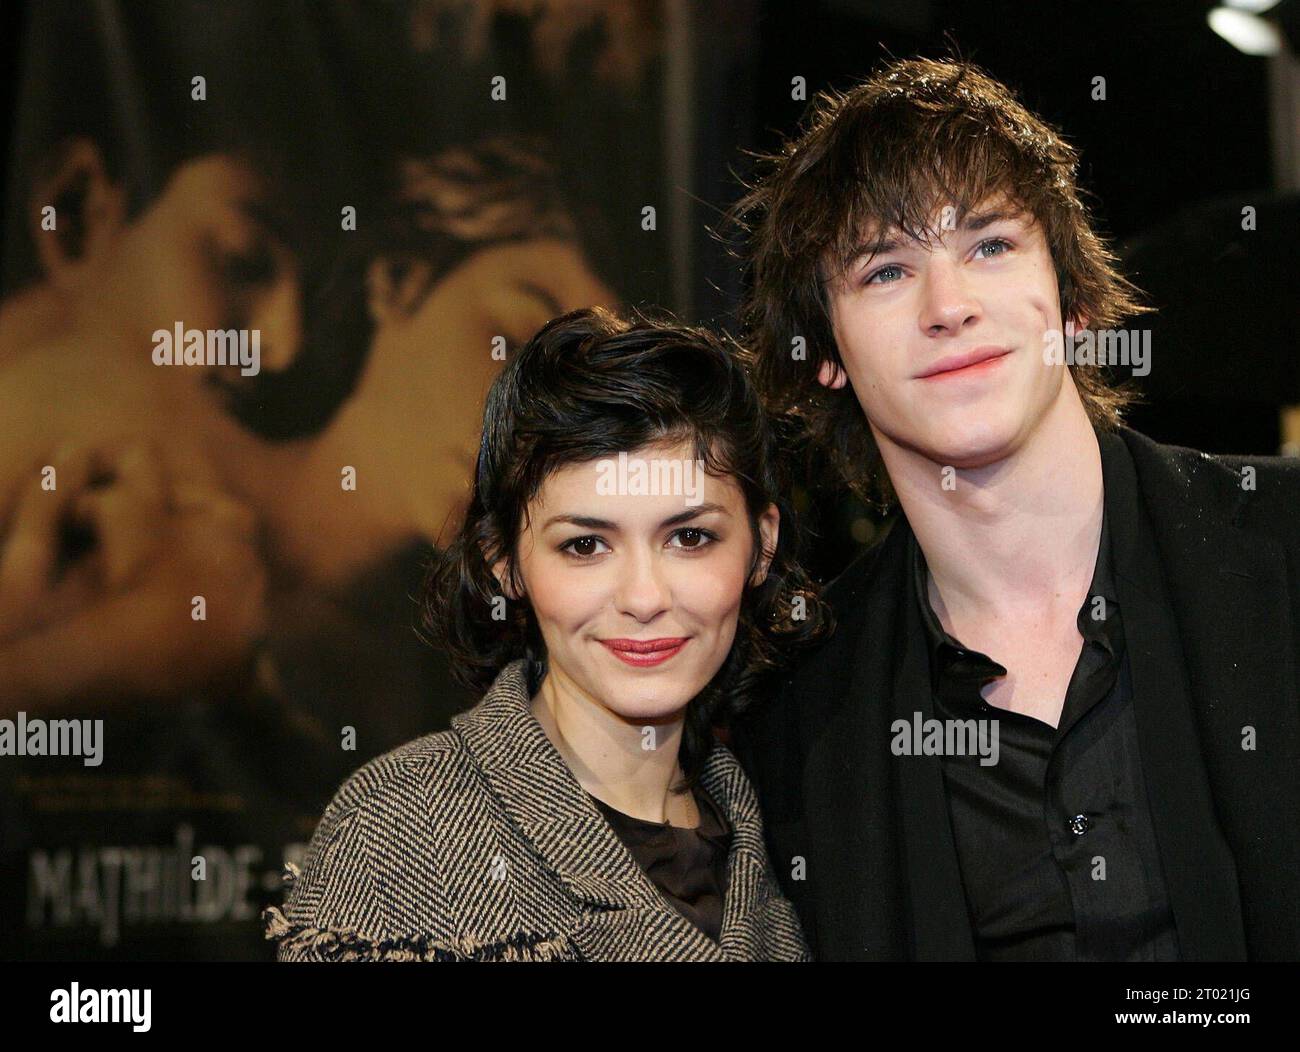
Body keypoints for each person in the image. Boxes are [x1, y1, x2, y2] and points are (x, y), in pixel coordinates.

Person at [727, 56, 1300, 961]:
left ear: (1073, 301)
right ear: (825, 353)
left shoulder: (1283, 548)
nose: (948, 305)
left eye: (989, 245)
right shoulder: (796, 723)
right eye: (885, 270)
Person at [262, 306, 831, 960]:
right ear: (505, 560)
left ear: (761, 545)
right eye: (586, 545)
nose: (644, 597)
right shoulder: (397, 832)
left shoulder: (798, 836)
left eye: (690, 537)